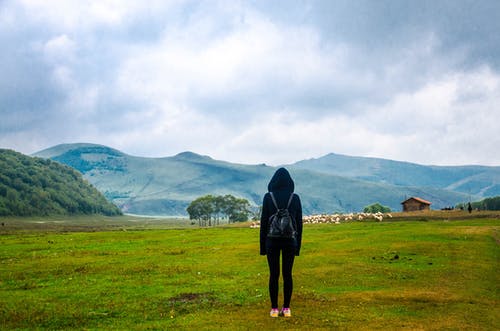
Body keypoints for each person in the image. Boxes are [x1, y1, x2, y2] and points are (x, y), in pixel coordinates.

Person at [260, 168, 303, 318]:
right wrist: (297, 246)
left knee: (273, 274)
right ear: (290, 182)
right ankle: (286, 308)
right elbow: (299, 224)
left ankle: (273, 309)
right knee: (287, 274)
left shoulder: (268, 197)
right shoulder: (295, 198)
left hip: (271, 240)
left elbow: (264, 223)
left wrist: (262, 247)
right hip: (290, 241)